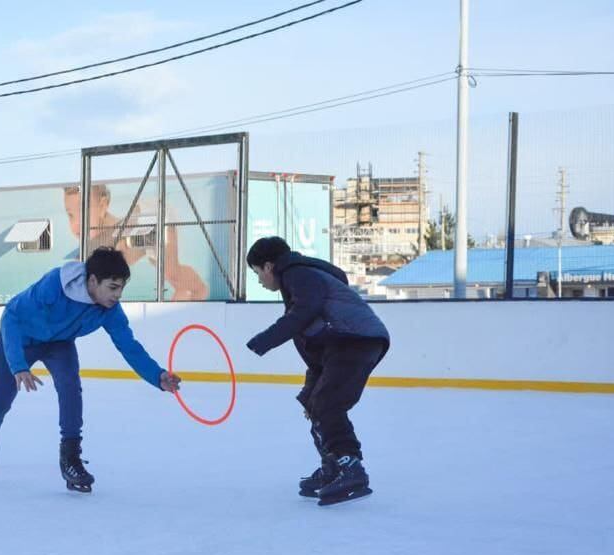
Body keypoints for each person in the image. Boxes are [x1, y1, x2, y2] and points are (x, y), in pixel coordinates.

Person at [0, 247, 182, 492]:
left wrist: (158, 376)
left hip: (59, 344)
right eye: (113, 288)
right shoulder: (54, 286)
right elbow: (11, 317)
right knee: (0, 402)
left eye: (121, 288)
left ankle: (70, 458)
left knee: (70, 387)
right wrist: (18, 365)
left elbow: (129, 347)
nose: (118, 295)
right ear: (93, 281)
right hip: (22, 339)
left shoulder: (109, 309)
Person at [244, 236, 389, 506]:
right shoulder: (298, 277)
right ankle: (333, 466)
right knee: (315, 402)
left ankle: (350, 467)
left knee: (327, 403)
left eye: (257, 274)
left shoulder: (297, 273)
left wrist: (266, 339)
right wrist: (311, 383)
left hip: (354, 340)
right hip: (342, 344)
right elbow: (314, 333)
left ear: (268, 266)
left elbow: (304, 312)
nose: (260, 281)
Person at [63, 184, 209, 301]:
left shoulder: (118, 232)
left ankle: (200, 289)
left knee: (171, 271)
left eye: (83, 213)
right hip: (139, 233)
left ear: (103, 206)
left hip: (155, 216)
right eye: (70, 216)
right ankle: (183, 288)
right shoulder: (92, 242)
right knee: (163, 269)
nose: (76, 224)